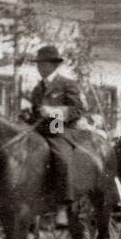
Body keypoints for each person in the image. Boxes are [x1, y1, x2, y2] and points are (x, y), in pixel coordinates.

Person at [27, 45, 85, 226]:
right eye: (38, 64)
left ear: (52, 65)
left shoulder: (67, 84)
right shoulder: (37, 88)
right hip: (39, 130)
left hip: (59, 128)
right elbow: (35, 113)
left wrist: (54, 112)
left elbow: (78, 110)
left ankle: (62, 208)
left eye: (42, 64)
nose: (38, 67)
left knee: (62, 157)